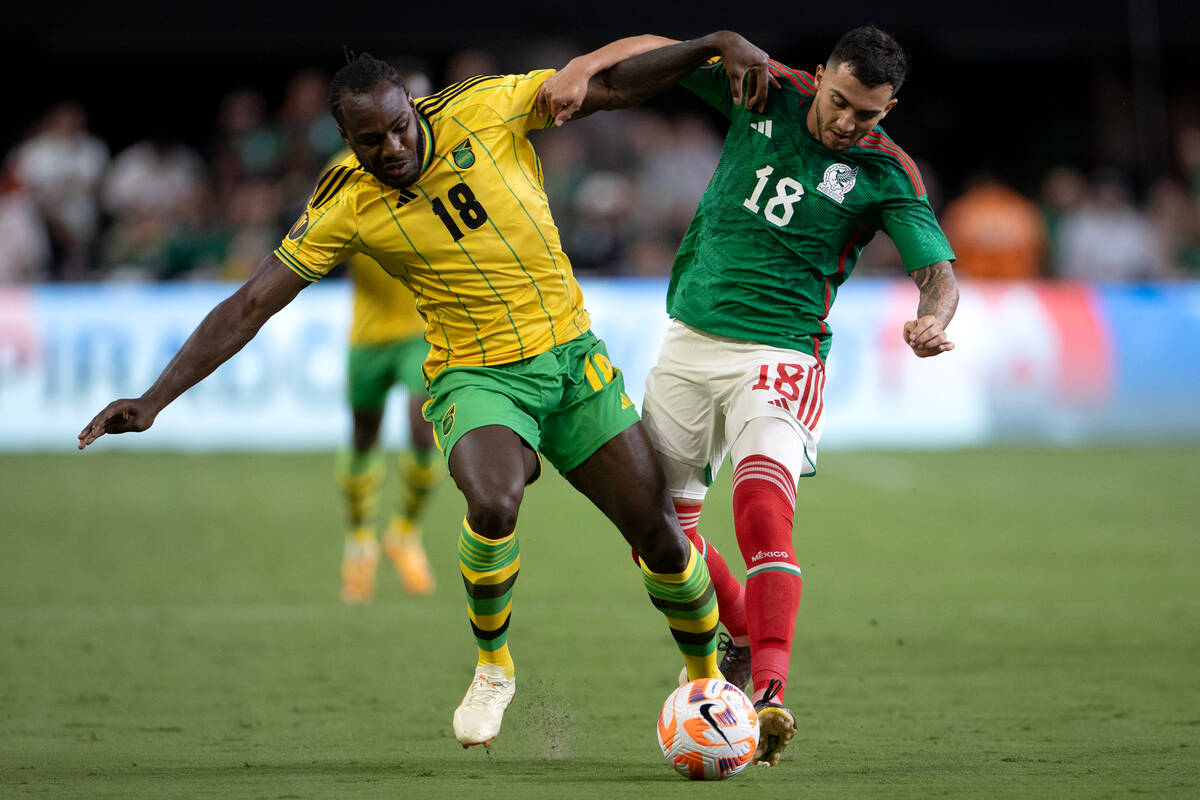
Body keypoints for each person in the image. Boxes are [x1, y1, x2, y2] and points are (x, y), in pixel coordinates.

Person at [78, 31, 779, 750]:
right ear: (344, 141)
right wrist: (156, 397)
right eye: (368, 140)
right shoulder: (346, 204)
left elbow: (619, 86)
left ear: (414, 108)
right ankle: (493, 667)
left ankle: (704, 680)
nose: (390, 149)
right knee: (494, 498)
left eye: (398, 127)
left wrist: (713, 47)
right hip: (474, 375)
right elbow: (251, 303)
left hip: (572, 364)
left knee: (662, 539)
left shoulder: (489, 108)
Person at [544, 24, 959, 766]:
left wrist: (934, 317)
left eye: (869, 114)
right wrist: (580, 67)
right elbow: (651, 46)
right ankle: (736, 636)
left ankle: (767, 693)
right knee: (658, 535)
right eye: (840, 102)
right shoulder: (762, 87)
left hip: (782, 351)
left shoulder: (889, 172)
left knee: (761, 506)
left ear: (890, 107)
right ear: (823, 73)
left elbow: (938, 272)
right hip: (690, 339)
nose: (848, 123)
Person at [336, 248, 441, 603]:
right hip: (367, 340)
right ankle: (360, 542)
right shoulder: (350, 199)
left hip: (418, 333)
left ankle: (406, 533)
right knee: (363, 440)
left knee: (422, 429)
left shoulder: (421, 195)